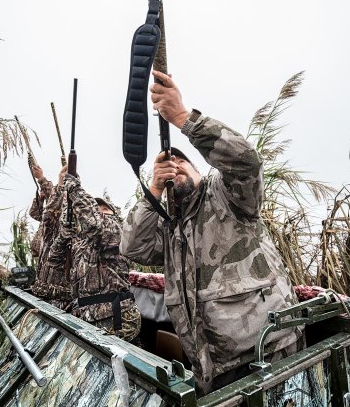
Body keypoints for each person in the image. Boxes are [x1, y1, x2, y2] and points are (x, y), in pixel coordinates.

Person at [120, 70, 303, 394]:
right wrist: (153, 190)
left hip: (271, 359)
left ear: (201, 171)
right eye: (167, 167)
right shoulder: (171, 228)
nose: (174, 167)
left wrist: (181, 118)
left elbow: (246, 162)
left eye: (181, 163)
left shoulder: (225, 196)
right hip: (212, 373)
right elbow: (132, 248)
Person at [45, 168, 141, 342]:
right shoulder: (81, 242)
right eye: (97, 209)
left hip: (116, 318)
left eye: (105, 209)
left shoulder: (117, 230)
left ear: (114, 214)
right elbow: (53, 261)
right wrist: (62, 236)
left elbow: (95, 224)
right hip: (86, 318)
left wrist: (74, 188)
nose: (100, 211)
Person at [30, 165, 72, 307]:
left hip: (56, 287)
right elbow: (35, 213)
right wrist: (41, 198)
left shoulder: (62, 217)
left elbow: (53, 208)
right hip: (43, 272)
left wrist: (42, 178)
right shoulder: (49, 218)